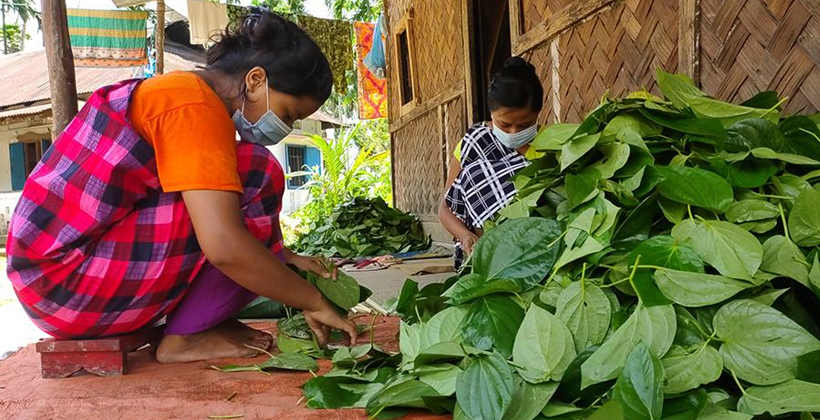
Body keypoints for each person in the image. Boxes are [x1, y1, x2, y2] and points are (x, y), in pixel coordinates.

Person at [6, 9, 357, 364]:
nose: (285, 127)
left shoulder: (183, 94)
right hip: (65, 287)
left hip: (53, 285)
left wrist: (287, 259)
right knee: (255, 171)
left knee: (234, 181)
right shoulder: (193, 106)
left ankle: (195, 327)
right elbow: (223, 246)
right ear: (254, 80)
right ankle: (186, 338)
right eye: (289, 115)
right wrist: (312, 300)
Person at [439, 57, 545, 268]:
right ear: (491, 113)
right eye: (504, 124)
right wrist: (465, 236)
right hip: (483, 256)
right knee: (476, 172)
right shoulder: (474, 141)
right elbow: (445, 208)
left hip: (535, 254)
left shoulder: (551, 146)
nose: (514, 132)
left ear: (537, 114)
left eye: (525, 125)